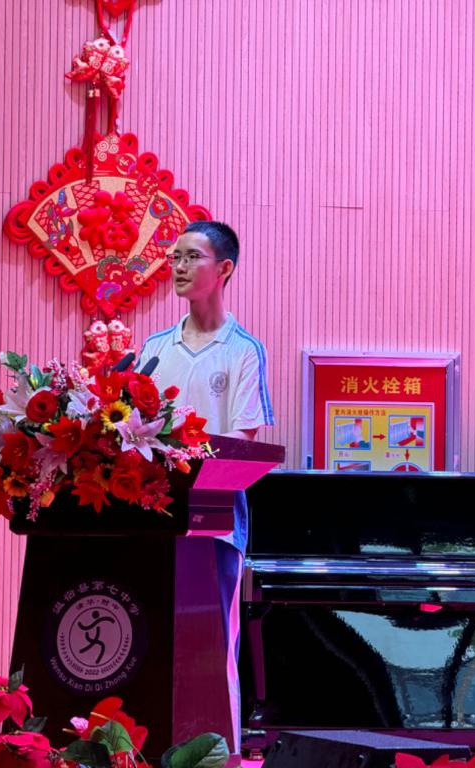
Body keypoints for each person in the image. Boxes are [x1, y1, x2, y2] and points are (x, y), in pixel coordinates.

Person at [136, 220, 274, 755]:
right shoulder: (153, 350)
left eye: (192, 256)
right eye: (174, 257)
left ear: (224, 269)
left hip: (214, 524)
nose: (178, 266)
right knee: (150, 638)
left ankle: (220, 753)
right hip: (152, 520)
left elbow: (242, 440)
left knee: (211, 648)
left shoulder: (243, 351)